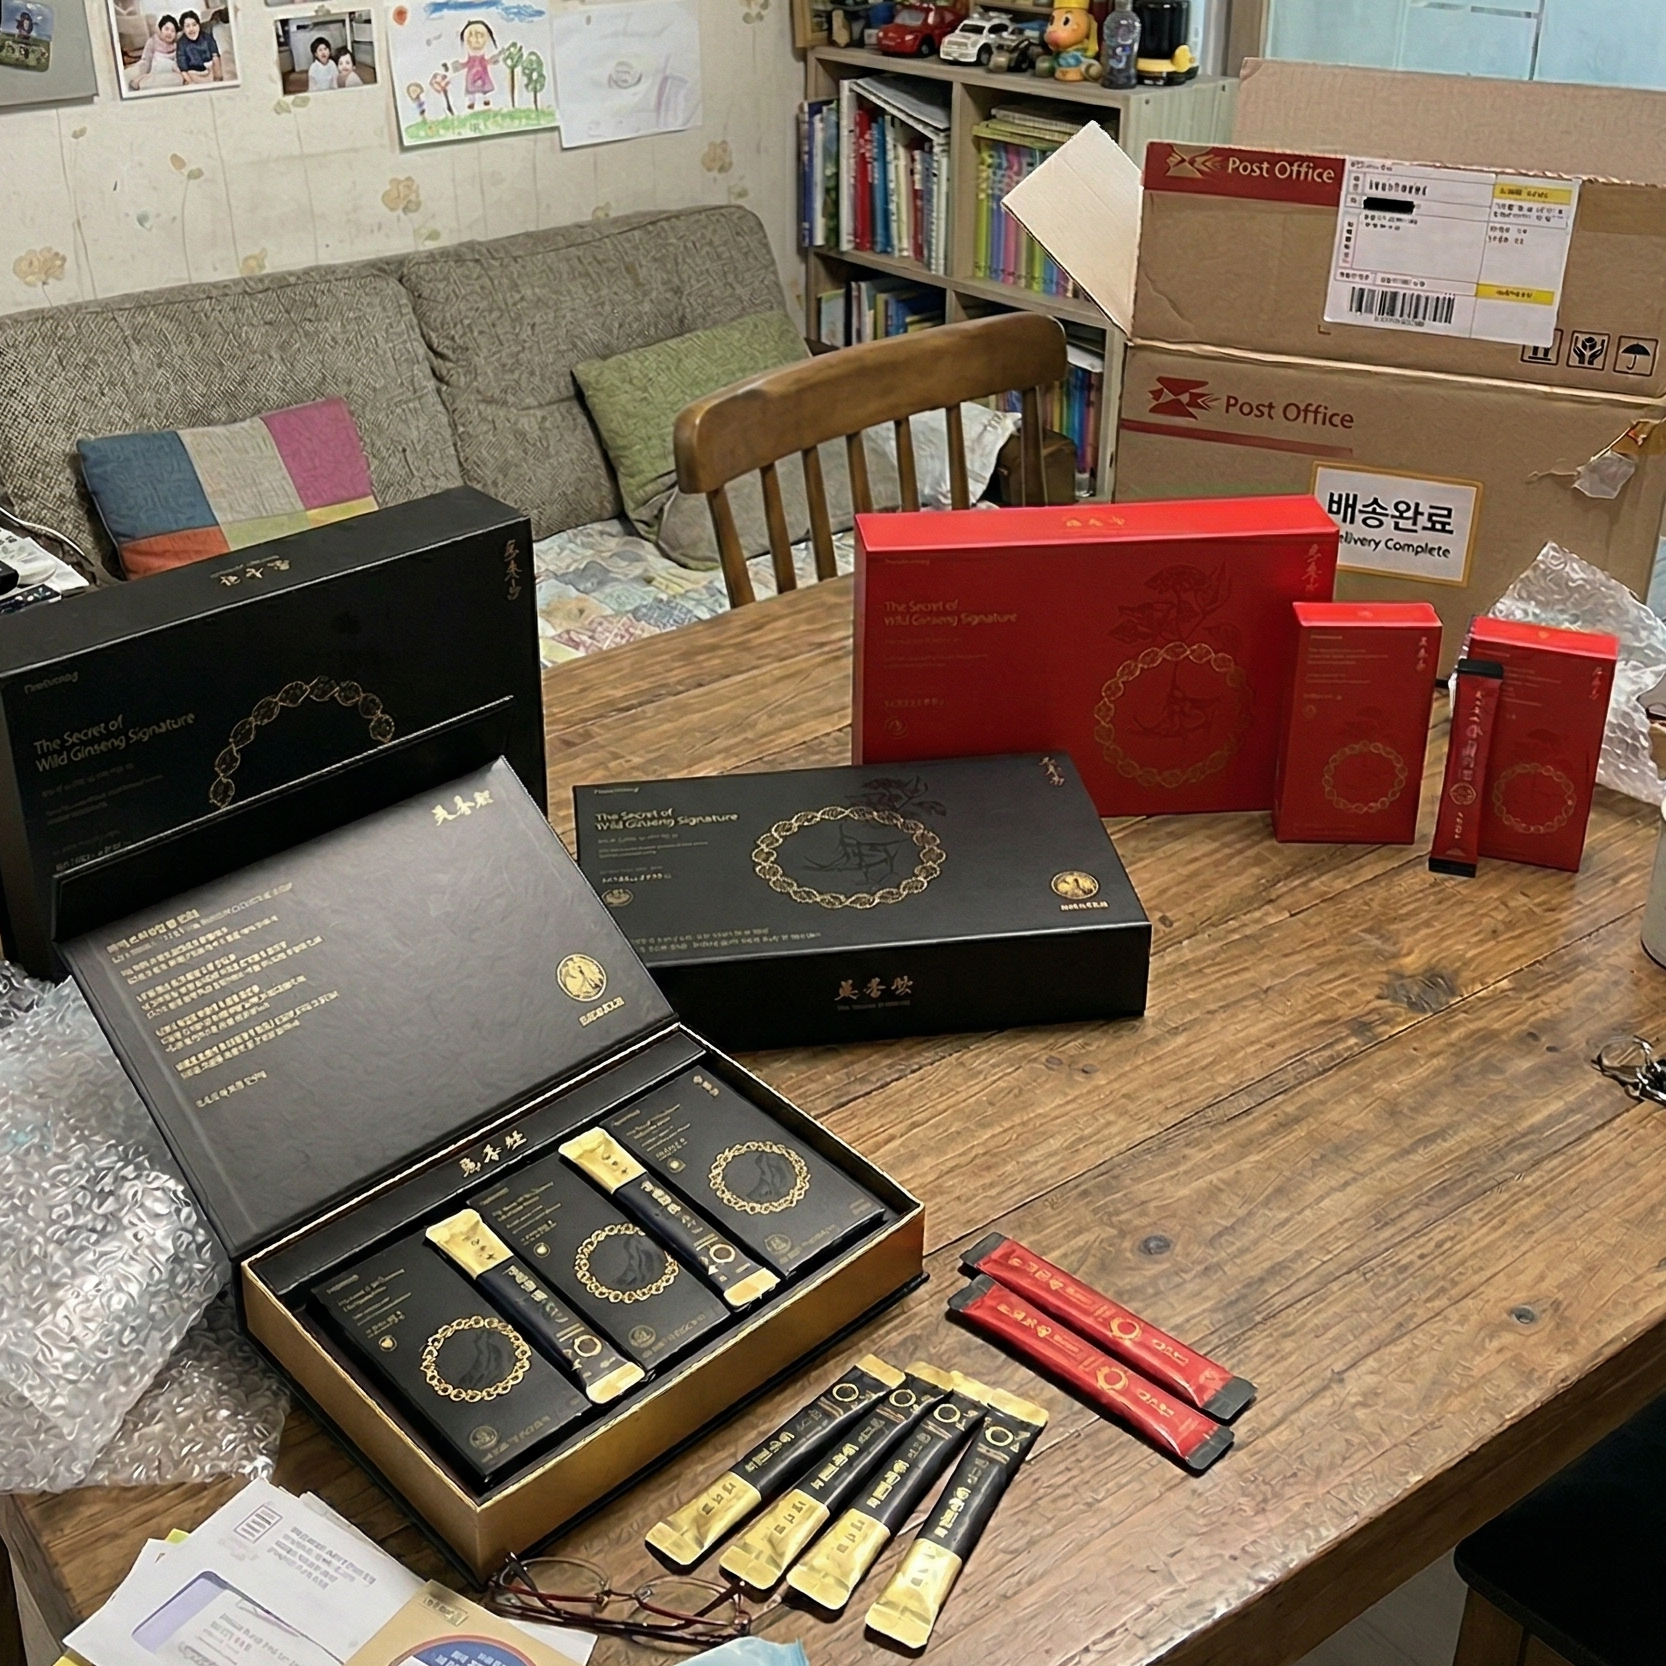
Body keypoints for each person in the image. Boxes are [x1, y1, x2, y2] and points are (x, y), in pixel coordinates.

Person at [451, 18, 497, 110]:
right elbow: (467, 63)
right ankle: (471, 102)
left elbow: (486, 61)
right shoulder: (470, 56)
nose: (476, 39)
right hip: (472, 75)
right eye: (471, 36)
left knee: (485, 88)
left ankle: (486, 100)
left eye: (480, 35)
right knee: (471, 90)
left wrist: (492, 61)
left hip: (483, 74)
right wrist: (459, 66)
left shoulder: (482, 56)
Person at [129, 14, 180, 87]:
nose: (169, 33)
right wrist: (141, 75)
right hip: (153, 73)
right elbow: (146, 61)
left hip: (169, 76)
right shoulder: (152, 41)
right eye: (166, 29)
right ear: (160, 29)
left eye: (173, 31)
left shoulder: (177, 46)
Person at [175, 9, 220, 80]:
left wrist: (218, 79)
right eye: (187, 26)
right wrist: (191, 83)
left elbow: (215, 57)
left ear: (199, 25)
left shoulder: (207, 38)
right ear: (183, 29)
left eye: (194, 25)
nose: (191, 29)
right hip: (193, 75)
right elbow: (183, 69)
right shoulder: (181, 44)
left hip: (211, 72)